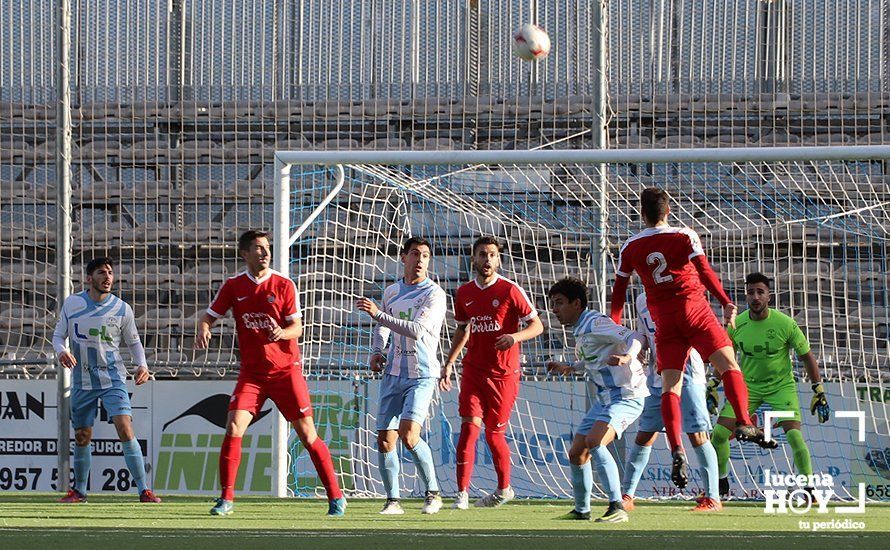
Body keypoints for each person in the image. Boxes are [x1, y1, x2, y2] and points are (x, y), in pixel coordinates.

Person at [609, 187, 774, 490]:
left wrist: (616, 328)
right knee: (729, 366)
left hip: (665, 321)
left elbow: (618, 292)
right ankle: (745, 422)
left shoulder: (630, 246)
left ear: (642, 213)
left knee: (671, 385)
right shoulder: (685, 235)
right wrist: (725, 301)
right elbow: (704, 270)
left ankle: (676, 449)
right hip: (693, 310)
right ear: (668, 210)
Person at [196, 230, 345, 516]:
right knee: (233, 426)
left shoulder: (284, 284)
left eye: (267, 247)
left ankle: (336, 497)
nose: (265, 252)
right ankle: (226, 499)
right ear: (245, 254)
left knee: (306, 434)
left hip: (285, 372)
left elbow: (297, 328)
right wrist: (204, 327)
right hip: (252, 374)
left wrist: (282, 331)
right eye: (258, 248)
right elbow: (209, 316)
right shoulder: (233, 286)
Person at [439, 236, 543, 509]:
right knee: (468, 431)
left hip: (503, 375)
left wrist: (515, 337)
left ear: (498, 259)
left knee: (493, 435)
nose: (487, 260)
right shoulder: (463, 293)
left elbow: (537, 326)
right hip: (473, 370)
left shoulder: (510, 290)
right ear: (473, 259)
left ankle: (504, 488)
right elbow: (463, 329)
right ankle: (461, 493)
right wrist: (449, 362)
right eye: (482, 254)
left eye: (492, 255)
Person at [709, 272, 829, 499]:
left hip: (780, 387)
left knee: (795, 437)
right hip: (748, 388)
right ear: (746, 296)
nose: (755, 297)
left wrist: (818, 389)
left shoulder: (785, 324)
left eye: (760, 292)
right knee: (718, 434)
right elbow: (726, 357)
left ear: (769, 296)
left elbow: (807, 356)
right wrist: (713, 383)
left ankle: (809, 488)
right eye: (751, 292)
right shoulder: (737, 324)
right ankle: (722, 484)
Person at [52, 257, 160, 504]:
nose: (108, 277)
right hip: (82, 381)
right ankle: (79, 491)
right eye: (102, 272)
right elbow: (58, 336)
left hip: (113, 379)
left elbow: (134, 342)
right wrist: (61, 351)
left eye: (110, 272)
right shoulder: (73, 304)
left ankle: (144, 490)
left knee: (124, 427)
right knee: (82, 435)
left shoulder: (122, 308)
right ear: (89, 278)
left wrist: (142, 365)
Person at [356, 237, 446, 515]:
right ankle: (393, 501)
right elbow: (384, 329)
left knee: (409, 435)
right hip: (393, 373)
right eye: (415, 254)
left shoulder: (434, 294)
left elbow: (417, 330)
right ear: (404, 257)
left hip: (421, 374)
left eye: (426, 256)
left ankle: (433, 493)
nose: (420, 260)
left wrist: (378, 315)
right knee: (384, 439)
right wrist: (376, 351)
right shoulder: (392, 291)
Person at [547, 277, 648, 523]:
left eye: (559, 303)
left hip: (626, 395)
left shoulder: (595, 322)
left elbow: (635, 335)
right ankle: (582, 510)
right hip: (606, 399)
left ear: (577, 303)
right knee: (577, 453)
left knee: (595, 441)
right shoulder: (581, 328)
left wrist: (627, 356)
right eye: (552, 304)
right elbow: (594, 357)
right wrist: (569, 367)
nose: (555, 310)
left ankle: (617, 507)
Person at [621, 292, 722, 512]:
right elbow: (643, 335)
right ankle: (627, 496)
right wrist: (634, 351)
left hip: (688, 374)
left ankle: (713, 498)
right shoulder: (641, 300)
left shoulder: (680, 293)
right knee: (644, 435)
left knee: (698, 435)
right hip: (656, 378)